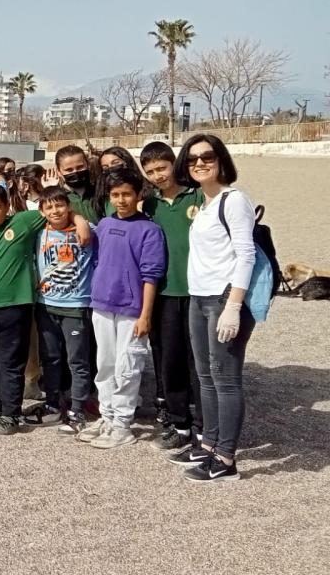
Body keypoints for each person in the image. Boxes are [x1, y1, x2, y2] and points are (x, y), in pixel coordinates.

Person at [0, 186, 89, 435]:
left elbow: (53, 211)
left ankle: (11, 414)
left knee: (10, 363)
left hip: (14, 307)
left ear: (7, 206)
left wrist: (80, 220)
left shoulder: (21, 223)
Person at [173, 134, 257, 482]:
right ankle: (208, 444)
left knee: (226, 379)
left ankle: (225, 457)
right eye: (193, 159)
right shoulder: (205, 203)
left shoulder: (233, 200)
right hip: (200, 297)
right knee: (205, 377)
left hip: (223, 298)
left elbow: (246, 254)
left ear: (221, 159)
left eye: (207, 156)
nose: (200, 163)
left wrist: (234, 306)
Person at [79, 168, 165, 450]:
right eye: (115, 195)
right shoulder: (103, 225)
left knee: (127, 366)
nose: (121, 200)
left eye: (127, 194)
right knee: (105, 364)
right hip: (102, 304)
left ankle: (123, 424)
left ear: (139, 194)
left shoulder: (149, 230)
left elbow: (151, 274)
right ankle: (107, 415)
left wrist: (145, 315)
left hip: (132, 309)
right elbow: (97, 261)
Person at [140, 141, 205, 450]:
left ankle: (205, 425)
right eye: (150, 172)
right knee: (171, 360)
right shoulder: (150, 204)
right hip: (165, 292)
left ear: (174, 164)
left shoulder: (199, 195)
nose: (157, 176)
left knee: (200, 361)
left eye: (162, 168)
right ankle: (180, 425)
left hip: (198, 291)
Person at [34, 185, 96, 434]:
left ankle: (77, 408)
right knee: (50, 358)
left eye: (60, 205)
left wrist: (80, 220)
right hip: (46, 305)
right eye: (49, 207)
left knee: (77, 361)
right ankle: (51, 403)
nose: (55, 211)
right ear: (42, 211)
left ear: (69, 206)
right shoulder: (38, 233)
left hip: (76, 306)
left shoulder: (89, 230)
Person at [55, 144, 103, 223]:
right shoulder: (59, 196)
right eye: (69, 170)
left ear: (87, 164)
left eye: (80, 167)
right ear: (59, 172)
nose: (75, 172)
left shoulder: (100, 190)